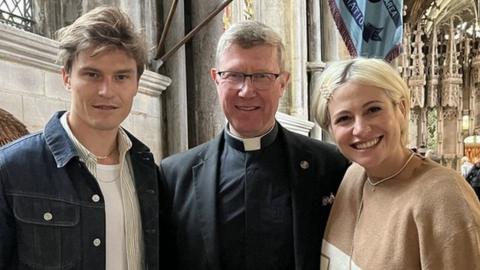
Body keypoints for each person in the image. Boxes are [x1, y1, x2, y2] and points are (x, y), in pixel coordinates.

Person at [159, 20, 349, 270]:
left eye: (261, 76)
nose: (246, 91)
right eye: (234, 75)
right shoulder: (174, 176)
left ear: (283, 82)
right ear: (216, 79)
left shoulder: (330, 165)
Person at [0, 7, 162, 270]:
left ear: (136, 84)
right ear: (66, 77)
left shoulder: (148, 172)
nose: (106, 91)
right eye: (92, 74)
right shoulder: (11, 169)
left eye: (121, 77)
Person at [312, 58, 480, 269]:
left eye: (373, 110)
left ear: (400, 109)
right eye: (344, 118)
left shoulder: (444, 197)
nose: (361, 129)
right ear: (331, 130)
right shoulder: (353, 176)